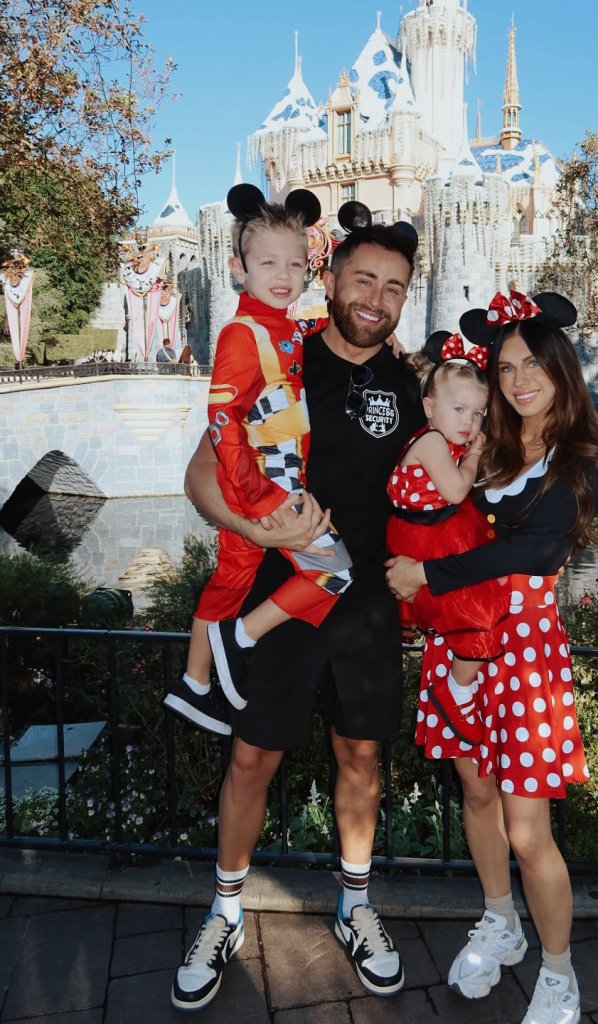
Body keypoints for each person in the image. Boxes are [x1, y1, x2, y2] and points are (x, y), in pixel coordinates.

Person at [170, 218, 424, 1011]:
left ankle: (355, 902)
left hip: (366, 610)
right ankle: (225, 909)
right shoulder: (283, 352)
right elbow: (201, 470)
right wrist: (250, 528)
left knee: (360, 762)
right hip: (277, 601)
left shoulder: (412, 383)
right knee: (249, 760)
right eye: (363, 280)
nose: (376, 299)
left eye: (394, 287)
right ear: (331, 275)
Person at [385, 290, 598, 1024]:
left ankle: (558, 973)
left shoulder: (585, 458)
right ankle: (501, 921)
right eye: (506, 367)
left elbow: (537, 547)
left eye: (532, 365)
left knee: (528, 830)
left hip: (522, 654)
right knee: (477, 796)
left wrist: (427, 576)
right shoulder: (490, 444)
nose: (517, 380)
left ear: (561, 369)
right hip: (458, 639)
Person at [164, 184, 355, 737]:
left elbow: (304, 336)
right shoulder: (240, 335)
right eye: (268, 261)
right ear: (237, 267)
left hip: (269, 482)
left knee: (229, 578)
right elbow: (223, 425)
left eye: (296, 263)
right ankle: (240, 638)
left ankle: (194, 685)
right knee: (334, 570)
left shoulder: (284, 329)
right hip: (270, 484)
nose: (284, 273)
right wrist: (259, 502)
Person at [385, 341, 509, 746]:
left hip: (429, 531)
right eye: (459, 410)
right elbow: (456, 492)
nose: (470, 422)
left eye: (478, 414)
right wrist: (474, 456)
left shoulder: (439, 440)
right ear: (428, 407)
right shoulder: (433, 443)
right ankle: (455, 693)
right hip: (426, 534)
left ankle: (456, 682)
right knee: (477, 609)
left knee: (474, 595)